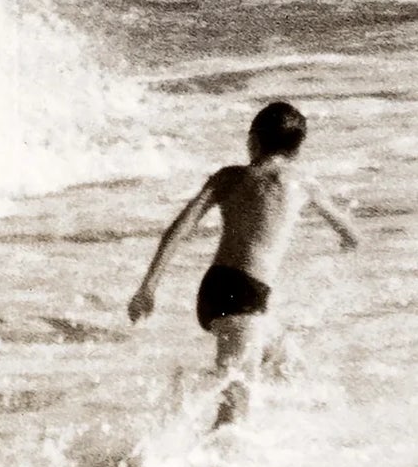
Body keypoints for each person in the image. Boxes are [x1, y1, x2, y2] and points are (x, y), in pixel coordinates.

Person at [127, 101, 359, 428]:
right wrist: (345, 245)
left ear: (253, 140)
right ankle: (192, 410)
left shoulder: (228, 177)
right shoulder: (301, 183)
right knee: (234, 417)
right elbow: (351, 235)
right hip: (244, 297)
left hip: (215, 289)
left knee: (288, 363)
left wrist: (148, 288)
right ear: (297, 149)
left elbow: (178, 229)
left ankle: (204, 384)